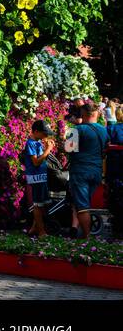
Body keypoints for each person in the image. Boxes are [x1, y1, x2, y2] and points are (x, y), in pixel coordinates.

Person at [67, 100, 108, 238]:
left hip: (80, 171)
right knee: (84, 203)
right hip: (96, 172)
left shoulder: (76, 130)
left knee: (82, 206)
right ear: (97, 114)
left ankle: (87, 238)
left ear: (82, 114)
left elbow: (69, 149)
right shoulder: (104, 130)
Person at [22, 119, 55, 237]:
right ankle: (41, 232)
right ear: (36, 131)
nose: (46, 135)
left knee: (42, 204)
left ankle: (34, 228)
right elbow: (35, 162)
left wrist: (46, 147)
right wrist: (47, 150)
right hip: (36, 177)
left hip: (41, 176)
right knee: (38, 204)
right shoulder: (31, 143)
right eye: (44, 133)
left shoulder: (37, 142)